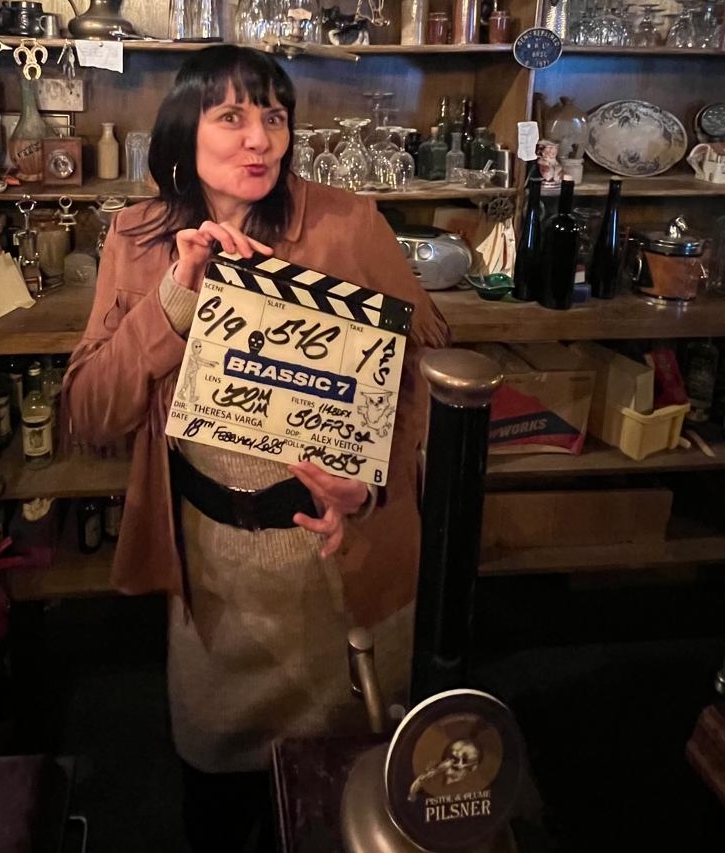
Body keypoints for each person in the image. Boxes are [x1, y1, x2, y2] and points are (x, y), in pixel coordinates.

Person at [60, 45, 449, 852]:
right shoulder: (137, 236)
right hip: (215, 577)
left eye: (274, 116)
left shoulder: (348, 222)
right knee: (216, 802)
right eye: (232, 116)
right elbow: (90, 412)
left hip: (334, 571)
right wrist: (174, 301)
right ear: (185, 130)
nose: (260, 139)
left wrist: (369, 484)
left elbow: (420, 370)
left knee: (341, 803)